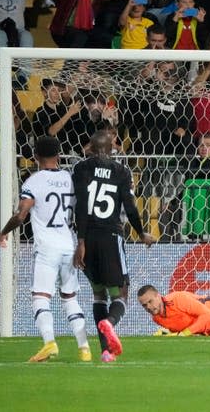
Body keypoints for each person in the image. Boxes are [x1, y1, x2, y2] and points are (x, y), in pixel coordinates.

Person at [0, 137, 91, 362]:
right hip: (69, 245)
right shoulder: (70, 179)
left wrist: (3, 232)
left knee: (41, 296)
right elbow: (81, 214)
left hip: (47, 248)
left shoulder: (34, 181)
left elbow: (21, 215)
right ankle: (85, 348)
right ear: (58, 155)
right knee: (70, 297)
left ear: (36, 157)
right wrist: (81, 242)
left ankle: (49, 343)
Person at [72, 130, 156, 362]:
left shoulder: (81, 169)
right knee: (121, 293)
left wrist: (80, 242)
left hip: (87, 239)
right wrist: (141, 233)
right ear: (112, 148)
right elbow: (129, 207)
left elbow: (80, 207)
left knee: (98, 295)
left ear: (90, 147)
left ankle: (105, 351)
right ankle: (109, 323)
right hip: (111, 236)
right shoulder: (121, 172)